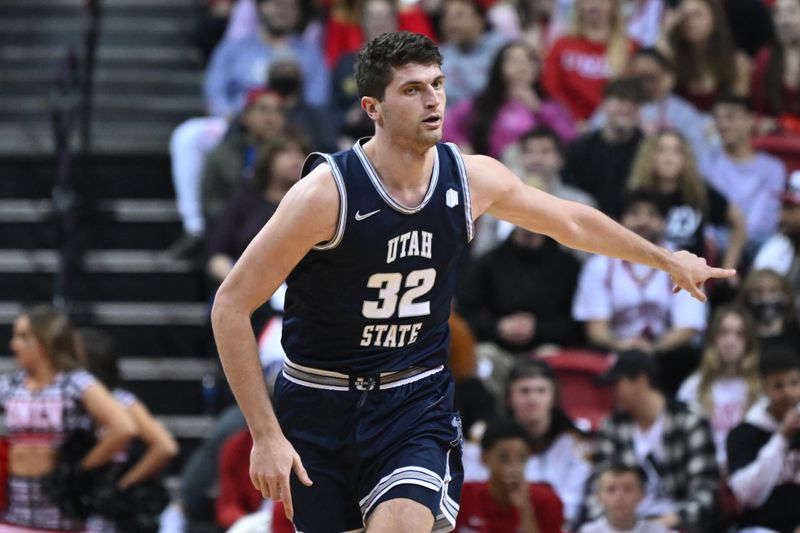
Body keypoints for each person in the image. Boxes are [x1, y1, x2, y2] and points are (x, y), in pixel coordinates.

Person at [210, 31, 734, 533]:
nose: (432, 99)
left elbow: (571, 222)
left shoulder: (471, 177)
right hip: (319, 402)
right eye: (412, 90)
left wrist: (664, 258)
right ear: (373, 109)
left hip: (412, 398)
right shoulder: (325, 194)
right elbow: (230, 306)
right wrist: (264, 433)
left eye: (437, 84)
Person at [0, 306, 136, 531]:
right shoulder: (10, 385)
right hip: (14, 510)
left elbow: (123, 427)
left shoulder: (74, 382)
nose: (14, 344)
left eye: (24, 337)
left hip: (61, 510)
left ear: (47, 340)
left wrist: (81, 467)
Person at [571, 190, 707, 395]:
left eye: (652, 215)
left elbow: (688, 327)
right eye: (634, 213)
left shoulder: (682, 262)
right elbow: (595, 328)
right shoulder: (600, 264)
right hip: (616, 347)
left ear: (664, 222)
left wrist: (653, 349)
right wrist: (623, 346)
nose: (644, 221)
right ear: (618, 221)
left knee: (690, 354)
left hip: (664, 350)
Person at [581, 350, 719, 532]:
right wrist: (612, 523)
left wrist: (672, 520)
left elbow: (705, 486)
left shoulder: (689, 421)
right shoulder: (612, 426)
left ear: (641, 380)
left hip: (678, 523)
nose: (612, 392)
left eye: (617, 384)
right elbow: (597, 485)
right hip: (622, 525)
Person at [461, 359, 591, 527]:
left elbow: (570, 510)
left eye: (541, 391)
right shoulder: (484, 436)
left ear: (554, 398)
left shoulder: (575, 441)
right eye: (524, 391)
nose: (532, 399)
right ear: (508, 397)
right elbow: (473, 487)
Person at [78, 329, 179, 533]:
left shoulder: (121, 400)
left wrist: (123, 484)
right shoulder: (68, 397)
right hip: (74, 497)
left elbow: (165, 447)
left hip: (101, 501)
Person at [626, 129, 746, 272]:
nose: (668, 157)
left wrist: (729, 268)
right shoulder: (635, 195)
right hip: (641, 273)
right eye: (661, 150)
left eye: (677, 151)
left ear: (686, 159)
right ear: (649, 157)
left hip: (690, 277)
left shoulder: (700, 193)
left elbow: (738, 222)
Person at [443, 41, 576, 159]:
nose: (521, 66)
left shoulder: (550, 106)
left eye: (528, 60)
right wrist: (462, 146)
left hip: (537, 175)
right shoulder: (482, 103)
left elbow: (569, 139)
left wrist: (539, 110)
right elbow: (447, 125)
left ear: (537, 68)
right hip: (492, 173)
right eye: (513, 61)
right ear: (499, 67)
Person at [726, 348, 800, 532]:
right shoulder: (742, 434)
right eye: (778, 386)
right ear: (764, 388)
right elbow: (749, 496)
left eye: (794, 383)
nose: (788, 392)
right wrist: (781, 437)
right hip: (760, 527)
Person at [676, 306, 761, 467]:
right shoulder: (693, 386)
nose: (731, 341)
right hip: (706, 467)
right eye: (724, 333)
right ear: (713, 339)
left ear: (748, 341)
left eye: (739, 334)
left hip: (746, 469)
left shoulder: (759, 388)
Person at [701, 95, 787, 253]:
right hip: (714, 243)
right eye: (717, 118)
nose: (723, 125)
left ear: (751, 120)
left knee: (780, 245)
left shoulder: (773, 168)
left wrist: (737, 238)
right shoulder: (706, 161)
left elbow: (763, 221)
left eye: (731, 117)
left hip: (758, 244)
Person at [455, 419, 564, 533]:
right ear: (484, 458)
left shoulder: (548, 501)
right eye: (504, 457)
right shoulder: (462, 496)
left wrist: (524, 510)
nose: (514, 466)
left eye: (521, 457)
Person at [563, 77, 646, 218]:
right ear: (604, 105)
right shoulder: (581, 149)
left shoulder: (648, 150)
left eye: (634, 102)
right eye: (620, 99)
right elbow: (569, 192)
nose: (626, 107)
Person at [541, 0, 633, 121]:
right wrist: (574, 119)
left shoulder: (630, 48)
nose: (595, 5)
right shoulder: (562, 44)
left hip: (611, 125)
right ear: (578, 6)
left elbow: (631, 92)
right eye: (587, 1)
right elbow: (551, 86)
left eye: (602, 2)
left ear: (614, 6)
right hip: (567, 123)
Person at [659, 0, 750, 112]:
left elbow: (739, 110)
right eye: (684, 16)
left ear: (714, 17)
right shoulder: (672, 59)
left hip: (721, 126)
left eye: (697, 15)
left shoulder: (737, 62)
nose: (689, 21)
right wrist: (665, 33)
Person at [578, 464, 672, 533]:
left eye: (628, 489)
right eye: (611, 490)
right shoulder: (588, 531)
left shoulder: (659, 531)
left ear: (642, 495)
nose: (619, 497)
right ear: (598, 496)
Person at [751, 0, 800, 133]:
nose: (785, 20)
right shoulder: (764, 57)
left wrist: (786, 124)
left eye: (792, 12)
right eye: (778, 14)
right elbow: (758, 109)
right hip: (776, 138)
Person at [737, 268, 800, 353]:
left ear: (786, 296)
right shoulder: (741, 336)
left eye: (773, 291)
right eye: (758, 292)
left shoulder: (796, 330)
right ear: (748, 298)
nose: (766, 298)